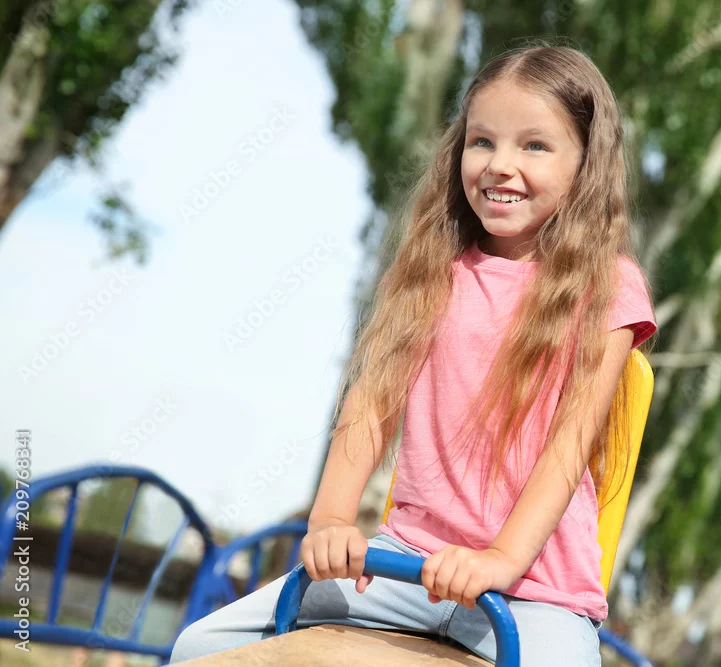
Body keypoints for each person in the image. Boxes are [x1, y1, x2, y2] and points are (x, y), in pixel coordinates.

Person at [169, 41, 657, 666]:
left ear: (587, 162)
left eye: (534, 146)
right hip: (403, 568)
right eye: (482, 141)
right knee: (202, 645)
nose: (500, 165)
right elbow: (371, 403)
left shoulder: (608, 286)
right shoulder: (434, 270)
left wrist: (499, 560)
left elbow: (568, 446)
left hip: (533, 592)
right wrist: (331, 521)